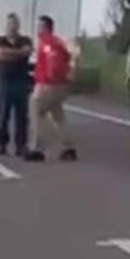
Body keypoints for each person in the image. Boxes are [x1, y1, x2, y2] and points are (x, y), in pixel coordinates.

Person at [26, 15, 77, 162]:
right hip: (61, 86)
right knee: (58, 116)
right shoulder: (58, 41)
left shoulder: (47, 43)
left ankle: (36, 148)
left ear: (46, 27)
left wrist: (49, 77)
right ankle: (68, 147)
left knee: (36, 111)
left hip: (48, 84)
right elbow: (68, 57)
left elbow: (52, 60)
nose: (38, 29)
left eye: (40, 26)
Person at [0, 13, 33, 157]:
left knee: (22, 116)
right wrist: (18, 54)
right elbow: (1, 53)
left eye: (14, 23)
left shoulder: (25, 39)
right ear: (6, 25)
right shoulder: (0, 40)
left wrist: (10, 54)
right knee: (3, 115)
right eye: (10, 24)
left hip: (21, 82)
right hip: (5, 82)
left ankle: (21, 145)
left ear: (18, 25)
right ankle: (2, 144)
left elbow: (27, 52)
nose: (12, 27)